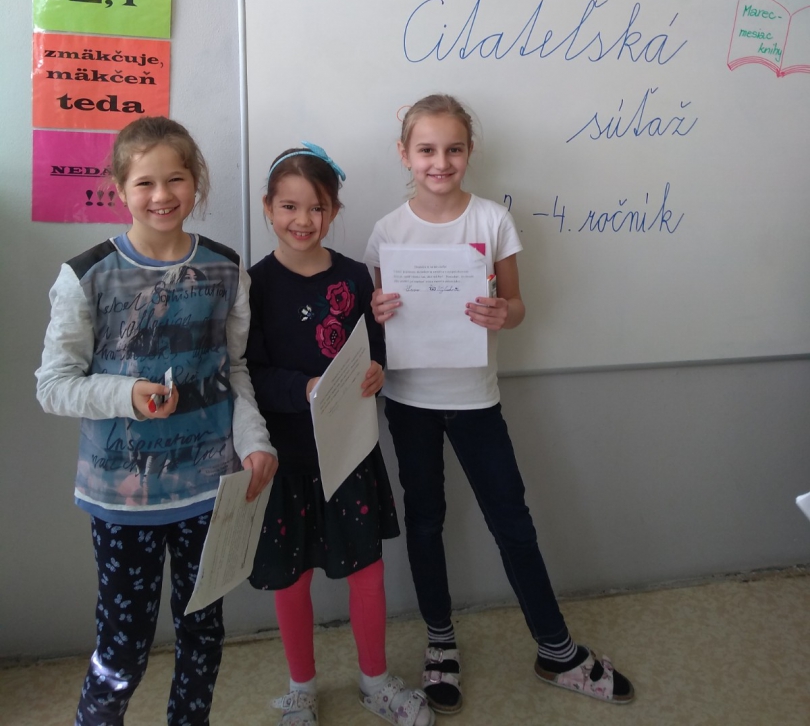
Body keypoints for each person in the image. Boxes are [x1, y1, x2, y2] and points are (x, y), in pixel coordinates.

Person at [365, 94, 634, 715]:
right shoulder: (387, 231)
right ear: (404, 154)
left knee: (512, 520)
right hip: (409, 401)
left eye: (453, 149)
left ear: (470, 151)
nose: (440, 162)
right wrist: (376, 311)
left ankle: (556, 650)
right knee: (425, 520)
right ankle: (439, 644)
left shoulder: (492, 221)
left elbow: (516, 307)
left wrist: (500, 312)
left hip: (476, 400)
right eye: (426, 150)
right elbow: (379, 323)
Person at [36, 116, 278, 726]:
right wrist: (128, 394)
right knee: (122, 650)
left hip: (209, 491)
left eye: (176, 179)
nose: (162, 195)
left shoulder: (226, 269)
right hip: (124, 501)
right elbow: (54, 387)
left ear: (196, 182)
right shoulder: (87, 274)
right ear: (120, 189)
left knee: (203, 636)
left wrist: (254, 441)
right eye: (145, 182)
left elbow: (232, 369)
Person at [246, 143, 433, 726]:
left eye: (318, 207)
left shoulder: (353, 276)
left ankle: (375, 681)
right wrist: (304, 388)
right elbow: (250, 373)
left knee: (367, 572)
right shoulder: (253, 286)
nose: (303, 220)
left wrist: (376, 371)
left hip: (349, 454)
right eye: (289, 207)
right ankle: (302, 687)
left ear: (334, 210)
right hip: (287, 458)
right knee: (292, 579)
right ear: (267, 208)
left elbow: (373, 351)